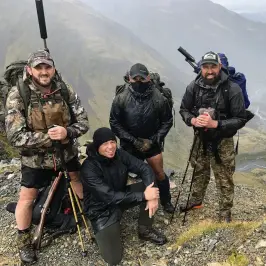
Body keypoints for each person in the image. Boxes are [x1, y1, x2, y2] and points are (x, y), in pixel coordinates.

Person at [5, 50, 89, 263]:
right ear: (29, 70)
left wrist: (67, 132)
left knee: (76, 179)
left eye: (47, 67)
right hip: (35, 160)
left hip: (66, 153)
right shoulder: (18, 95)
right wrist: (49, 138)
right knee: (27, 197)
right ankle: (23, 241)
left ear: (53, 68)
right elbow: (15, 136)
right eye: (39, 67)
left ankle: (88, 214)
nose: (44, 72)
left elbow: (83, 122)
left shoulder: (65, 90)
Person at [80, 127, 167, 265]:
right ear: (97, 147)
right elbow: (109, 196)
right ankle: (103, 231)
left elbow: (144, 168)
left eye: (112, 142)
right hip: (101, 210)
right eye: (105, 144)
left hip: (121, 196)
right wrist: (144, 196)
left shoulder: (120, 154)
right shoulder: (88, 168)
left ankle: (144, 229)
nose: (110, 147)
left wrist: (152, 195)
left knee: (149, 186)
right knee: (114, 259)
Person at [179, 51, 247, 222]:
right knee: (199, 170)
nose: (210, 71)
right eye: (206, 67)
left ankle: (225, 212)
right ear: (201, 68)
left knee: (224, 176)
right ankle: (196, 201)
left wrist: (216, 124)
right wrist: (193, 120)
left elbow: (240, 118)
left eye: (213, 66)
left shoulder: (232, 89)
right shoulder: (193, 86)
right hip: (200, 138)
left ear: (220, 67)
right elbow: (183, 109)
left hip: (223, 140)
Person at [109, 63, 174, 213]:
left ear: (148, 78)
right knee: (121, 174)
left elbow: (167, 121)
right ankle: (120, 204)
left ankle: (166, 200)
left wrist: (154, 140)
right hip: (130, 144)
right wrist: (134, 141)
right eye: (135, 79)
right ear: (129, 79)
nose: (139, 82)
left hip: (152, 143)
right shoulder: (122, 98)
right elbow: (114, 122)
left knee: (159, 173)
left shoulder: (159, 98)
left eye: (142, 78)